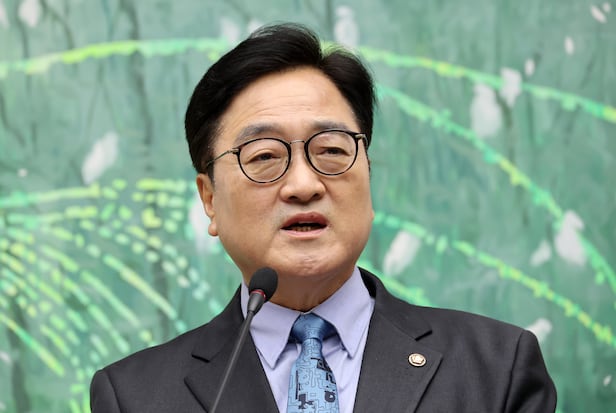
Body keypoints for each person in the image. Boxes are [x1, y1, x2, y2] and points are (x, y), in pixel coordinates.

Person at [90, 23, 557, 412]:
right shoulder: (134, 396)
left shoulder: (495, 367)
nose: (303, 184)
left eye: (331, 150)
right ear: (209, 199)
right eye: (264, 156)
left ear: (367, 170)